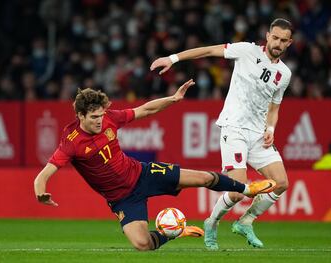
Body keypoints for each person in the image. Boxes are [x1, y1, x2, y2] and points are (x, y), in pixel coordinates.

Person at [34, 79, 276, 251]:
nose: (100, 120)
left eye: (101, 115)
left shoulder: (109, 118)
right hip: (123, 199)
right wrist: (40, 193)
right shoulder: (71, 143)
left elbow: (145, 109)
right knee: (142, 245)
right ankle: (173, 232)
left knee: (203, 178)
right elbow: (44, 174)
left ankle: (247, 189)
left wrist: (173, 99)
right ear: (80, 116)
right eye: (94, 117)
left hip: (142, 173)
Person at [150, 18, 293, 250]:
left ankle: (246, 221)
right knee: (238, 191)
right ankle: (212, 222)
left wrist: (270, 129)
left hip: (258, 134)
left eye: (283, 40)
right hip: (234, 128)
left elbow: (274, 107)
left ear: (289, 43)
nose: (278, 43)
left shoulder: (284, 74)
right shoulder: (246, 50)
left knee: (281, 183)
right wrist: (173, 58)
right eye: (275, 37)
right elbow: (208, 50)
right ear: (267, 36)